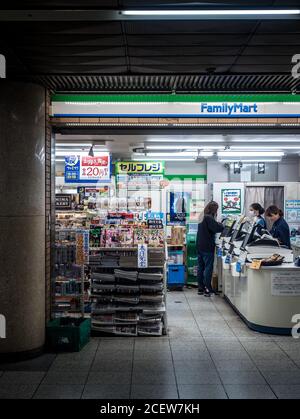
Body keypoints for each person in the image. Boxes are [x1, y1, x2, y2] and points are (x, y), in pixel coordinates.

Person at [196, 201, 224, 297]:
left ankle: (200, 288)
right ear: (214, 209)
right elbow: (216, 228)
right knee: (208, 267)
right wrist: (222, 225)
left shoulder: (202, 216)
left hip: (199, 245)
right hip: (207, 246)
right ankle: (208, 288)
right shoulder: (209, 217)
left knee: (201, 267)